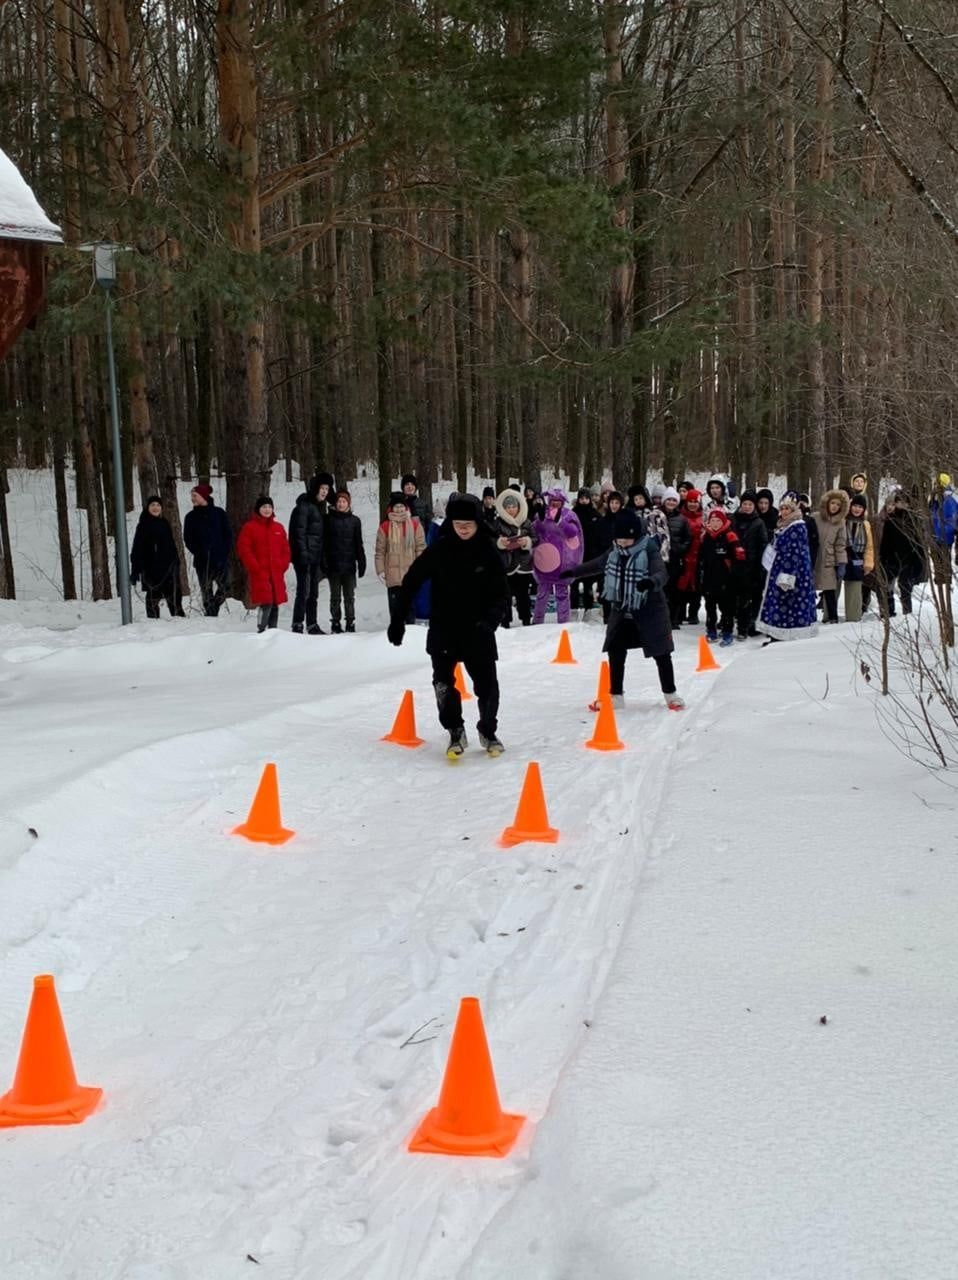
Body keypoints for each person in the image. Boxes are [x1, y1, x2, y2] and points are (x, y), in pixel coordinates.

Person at [387, 496, 508, 758]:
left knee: (487, 686)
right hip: (445, 629)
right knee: (443, 684)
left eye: (468, 524)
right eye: (457, 523)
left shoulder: (488, 552)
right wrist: (398, 620)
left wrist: (490, 621)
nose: (463, 528)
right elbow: (411, 582)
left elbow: (501, 593)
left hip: (479, 630)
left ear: (477, 523)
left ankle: (488, 729)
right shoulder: (439, 550)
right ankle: (454, 729)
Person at [562, 507, 684, 711]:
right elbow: (596, 565)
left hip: (650, 611)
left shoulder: (649, 549)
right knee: (616, 651)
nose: (622, 542)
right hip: (622, 610)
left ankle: (671, 694)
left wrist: (650, 582)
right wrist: (573, 572)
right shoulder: (615, 551)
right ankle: (616, 696)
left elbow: (662, 574)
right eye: (618, 538)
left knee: (661, 654)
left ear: (636, 535)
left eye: (626, 539)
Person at [756, 495, 817, 643]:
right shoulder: (784, 526)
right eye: (782, 508)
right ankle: (776, 632)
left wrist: (787, 576)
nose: (783, 511)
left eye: (787, 508)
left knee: (787, 603)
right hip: (779, 569)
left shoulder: (797, 526)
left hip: (792, 573)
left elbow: (794, 554)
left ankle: (785, 634)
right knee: (779, 603)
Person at [236, 495, 291, 632]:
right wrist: (255, 567)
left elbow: (286, 549)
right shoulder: (250, 527)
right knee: (266, 602)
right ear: (258, 509)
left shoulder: (278, 527)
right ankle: (261, 629)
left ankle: (273, 631)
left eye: (269, 507)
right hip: (260, 572)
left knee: (275, 602)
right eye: (264, 507)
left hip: (276, 572)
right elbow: (244, 549)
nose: (267, 510)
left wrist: (283, 565)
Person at [288, 471, 332, 634]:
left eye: (327, 489)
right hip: (303, 558)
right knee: (304, 591)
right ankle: (297, 623)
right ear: (315, 488)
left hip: (315, 558)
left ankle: (312, 623)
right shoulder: (304, 507)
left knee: (313, 592)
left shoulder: (319, 508)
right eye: (322, 488)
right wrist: (303, 556)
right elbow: (298, 533)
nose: (324, 492)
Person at [531, 488, 583, 624]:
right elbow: (535, 531)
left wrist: (560, 521)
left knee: (562, 593)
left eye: (558, 502)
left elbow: (573, 532)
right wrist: (540, 518)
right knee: (542, 594)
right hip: (545, 563)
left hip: (563, 563)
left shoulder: (569, 515)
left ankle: (563, 621)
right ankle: (537, 621)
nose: (555, 504)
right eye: (553, 501)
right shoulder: (543, 514)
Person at [697, 507, 746, 645]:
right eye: (712, 520)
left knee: (727, 609)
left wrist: (736, 575)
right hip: (709, 579)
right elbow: (701, 557)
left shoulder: (730, 535)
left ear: (723, 521)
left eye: (718, 520)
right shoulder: (705, 536)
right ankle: (711, 630)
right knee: (709, 607)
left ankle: (727, 631)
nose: (715, 523)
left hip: (727, 580)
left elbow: (739, 556)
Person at [375, 493, 426, 623]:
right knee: (395, 609)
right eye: (396, 506)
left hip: (410, 573)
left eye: (401, 506)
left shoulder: (415, 525)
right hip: (392, 574)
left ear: (406, 508)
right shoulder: (385, 526)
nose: (399, 509)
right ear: (391, 509)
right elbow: (380, 551)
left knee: (410, 608)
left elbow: (420, 547)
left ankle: (410, 636)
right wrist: (380, 570)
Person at [130, 495, 184, 619]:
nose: (156, 508)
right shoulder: (143, 525)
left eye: (158, 505)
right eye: (153, 505)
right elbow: (137, 549)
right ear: (148, 507)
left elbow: (171, 544)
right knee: (152, 598)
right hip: (151, 570)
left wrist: (176, 561)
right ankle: (153, 624)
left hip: (169, 569)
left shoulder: (164, 523)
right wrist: (135, 570)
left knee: (175, 598)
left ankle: (180, 622)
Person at [183, 482, 232, 616]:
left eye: (195, 495)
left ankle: (214, 607)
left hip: (220, 558)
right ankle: (210, 617)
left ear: (203, 496)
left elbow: (228, 535)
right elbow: (188, 539)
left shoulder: (219, 513)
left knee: (226, 586)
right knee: (206, 590)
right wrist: (199, 552)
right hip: (202, 561)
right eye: (192, 496)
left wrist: (224, 551)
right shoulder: (190, 517)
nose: (192, 498)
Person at [877, 489, 925, 617]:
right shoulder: (890, 520)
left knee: (905, 587)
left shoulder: (914, 520)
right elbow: (885, 543)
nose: (901, 504)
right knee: (887, 586)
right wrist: (882, 559)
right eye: (899, 502)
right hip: (892, 558)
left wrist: (920, 562)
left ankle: (907, 613)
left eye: (904, 502)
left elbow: (919, 543)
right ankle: (887, 611)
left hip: (909, 558)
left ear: (908, 504)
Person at [493, 488, 536, 627]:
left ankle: (526, 618)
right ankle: (505, 620)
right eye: (508, 507)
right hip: (506, 565)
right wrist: (500, 543)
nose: (511, 510)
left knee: (523, 594)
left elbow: (536, 538)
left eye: (514, 506)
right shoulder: (498, 523)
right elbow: (491, 540)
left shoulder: (526, 522)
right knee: (505, 595)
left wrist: (527, 542)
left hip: (523, 565)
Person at [324, 490, 366, 633]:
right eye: (339, 501)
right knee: (335, 596)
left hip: (349, 566)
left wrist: (361, 561)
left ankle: (350, 621)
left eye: (344, 501)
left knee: (349, 596)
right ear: (335, 503)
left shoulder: (355, 521)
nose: (341, 504)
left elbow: (358, 543)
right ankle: (335, 622)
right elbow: (325, 543)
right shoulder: (328, 520)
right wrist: (324, 562)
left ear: (348, 503)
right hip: (333, 565)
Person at [732, 489, 769, 637]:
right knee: (735, 597)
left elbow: (763, 544)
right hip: (735, 565)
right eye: (744, 504)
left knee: (750, 597)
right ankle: (734, 621)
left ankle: (749, 624)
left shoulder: (758, 522)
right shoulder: (733, 519)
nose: (747, 507)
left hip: (752, 565)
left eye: (750, 504)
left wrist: (760, 565)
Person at [811, 489, 850, 624]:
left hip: (829, 559)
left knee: (829, 590)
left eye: (838, 505)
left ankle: (832, 618)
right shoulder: (815, 517)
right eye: (832, 503)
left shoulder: (840, 523)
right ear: (827, 503)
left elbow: (840, 545)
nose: (834, 506)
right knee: (810, 588)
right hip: (813, 558)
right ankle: (809, 616)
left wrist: (842, 564)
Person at [661, 487, 691, 628]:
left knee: (674, 591)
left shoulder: (682, 519)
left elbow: (688, 538)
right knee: (661, 589)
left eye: (674, 500)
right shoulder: (657, 515)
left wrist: (680, 549)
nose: (671, 502)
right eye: (669, 499)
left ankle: (674, 619)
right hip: (659, 559)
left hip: (675, 558)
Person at [843, 494, 874, 623]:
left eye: (860, 507)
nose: (857, 509)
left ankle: (853, 617)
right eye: (855, 506)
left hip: (858, 558)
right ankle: (829, 617)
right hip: (843, 556)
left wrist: (868, 563)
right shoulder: (843, 521)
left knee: (855, 588)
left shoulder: (865, 524)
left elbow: (869, 546)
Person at [572, 487, 602, 618]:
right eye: (581, 498)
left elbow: (600, 533)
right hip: (575, 554)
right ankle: (572, 610)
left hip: (591, 553)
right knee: (573, 583)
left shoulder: (595, 514)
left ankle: (588, 609)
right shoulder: (573, 513)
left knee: (588, 584)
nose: (584, 501)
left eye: (586, 498)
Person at [677, 487, 705, 623]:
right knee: (681, 585)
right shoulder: (681, 516)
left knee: (696, 587)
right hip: (684, 555)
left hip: (698, 556)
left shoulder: (703, 518)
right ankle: (680, 612)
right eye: (690, 501)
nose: (693, 504)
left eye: (696, 501)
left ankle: (693, 613)